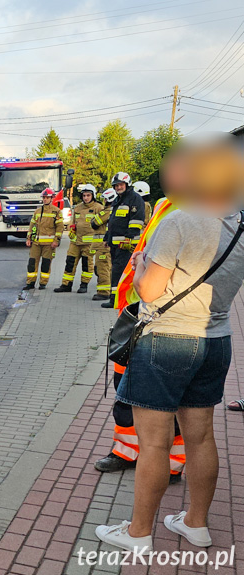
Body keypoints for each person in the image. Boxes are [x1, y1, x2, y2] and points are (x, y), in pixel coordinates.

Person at [95, 205, 244, 553]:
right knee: (202, 438)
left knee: (155, 444)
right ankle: (196, 524)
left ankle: (138, 532)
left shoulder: (179, 220)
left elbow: (148, 291)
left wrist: (141, 265)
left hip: (167, 340)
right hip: (216, 338)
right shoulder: (239, 223)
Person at [94, 197, 185, 484]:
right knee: (123, 391)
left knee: (171, 401)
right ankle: (126, 451)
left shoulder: (198, 211)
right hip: (136, 316)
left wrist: (142, 263)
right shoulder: (164, 204)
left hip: (168, 319)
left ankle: (172, 464)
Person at [101, 172, 145, 308]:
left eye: (120, 185)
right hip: (115, 244)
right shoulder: (117, 200)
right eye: (116, 185)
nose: (118, 187)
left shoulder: (135, 199)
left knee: (119, 272)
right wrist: (106, 238)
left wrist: (128, 238)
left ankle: (116, 300)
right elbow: (113, 222)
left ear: (127, 184)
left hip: (126, 245)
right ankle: (117, 299)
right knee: (116, 270)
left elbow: (136, 221)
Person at [55, 184, 100, 293]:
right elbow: (73, 222)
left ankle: (84, 285)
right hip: (75, 242)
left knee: (86, 265)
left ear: (93, 196)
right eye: (84, 195)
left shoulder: (98, 208)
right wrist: (72, 230)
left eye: (88, 195)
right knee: (70, 263)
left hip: (88, 244)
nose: (86, 198)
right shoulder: (78, 208)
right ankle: (66, 285)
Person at [23, 188, 63, 290]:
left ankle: (43, 283)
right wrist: (29, 238)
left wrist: (56, 241)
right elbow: (32, 226)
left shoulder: (56, 212)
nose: (45, 199)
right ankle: (30, 283)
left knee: (46, 263)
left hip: (49, 244)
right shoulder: (37, 211)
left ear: (52, 198)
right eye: (44, 198)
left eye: (47, 198)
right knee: (32, 263)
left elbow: (59, 228)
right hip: (36, 243)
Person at [89, 188, 115, 301]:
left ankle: (104, 292)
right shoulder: (112, 210)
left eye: (104, 199)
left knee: (102, 268)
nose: (103, 201)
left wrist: (95, 218)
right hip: (103, 245)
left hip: (103, 246)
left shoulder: (108, 211)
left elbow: (95, 223)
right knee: (104, 267)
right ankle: (107, 290)